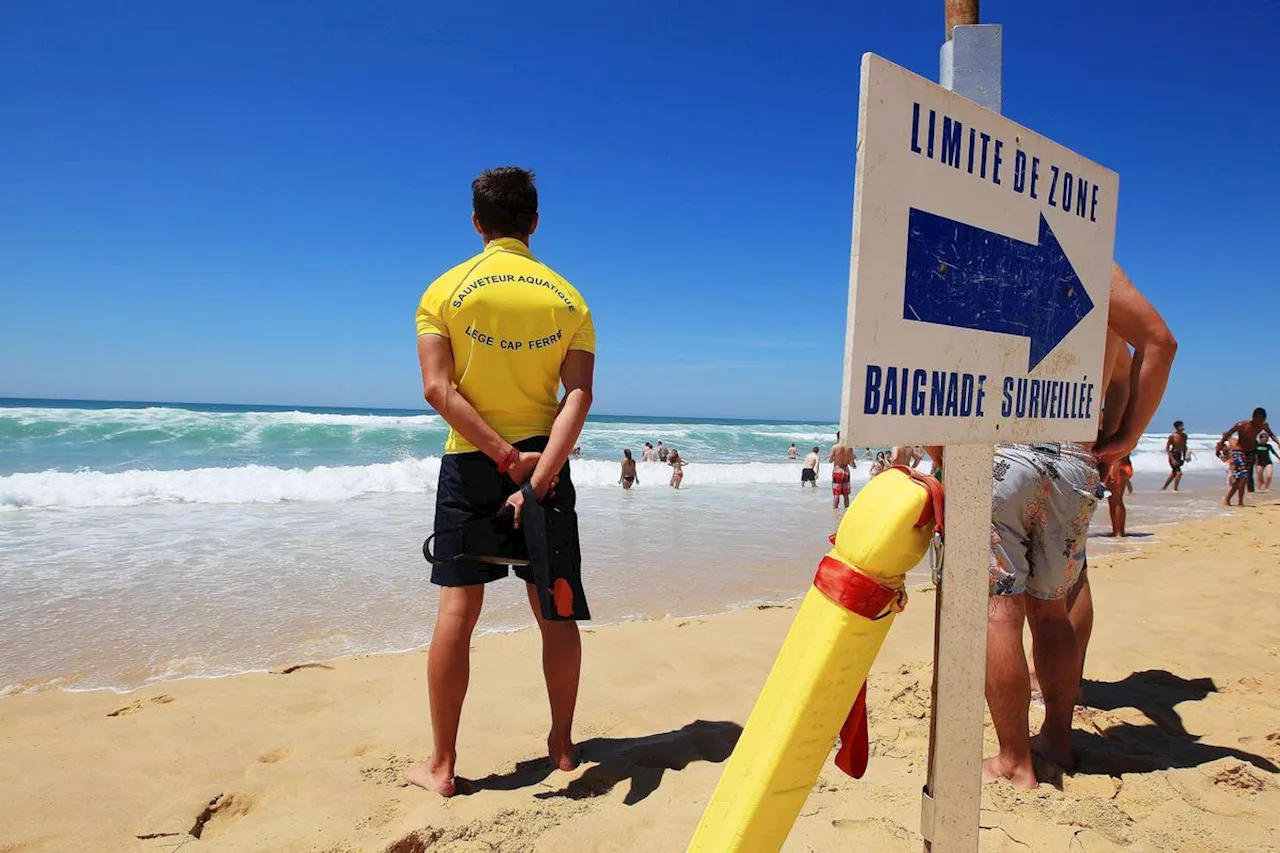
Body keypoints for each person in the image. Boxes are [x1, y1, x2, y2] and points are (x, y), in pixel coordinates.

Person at [930, 262, 1176, 789]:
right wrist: (1125, 435)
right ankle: (1057, 742)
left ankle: (1014, 760)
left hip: (1004, 446)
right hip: (1072, 456)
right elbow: (1157, 344)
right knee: (1052, 610)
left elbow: (945, 362)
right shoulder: (1091, 259)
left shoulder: (983, 250)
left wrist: (941, 455)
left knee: (999, 612)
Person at [409, 167, 595, 796]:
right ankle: (563, 745)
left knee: (458, 613)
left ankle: (441, 766)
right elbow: (579, 395)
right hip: (547, 468)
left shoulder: (444, 290)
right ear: (534, 222)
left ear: (477, 222)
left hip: (471, 465)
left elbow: (438, 389)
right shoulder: (568, 298)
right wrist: (536, 473)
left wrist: (498, 455)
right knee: (555, 611)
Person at [1221, 408, 1276, 502]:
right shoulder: (1241, 425)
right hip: (1239, 451)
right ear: (1253, 417)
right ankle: (1240, 502)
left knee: (1241, 479)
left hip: (1250, 452)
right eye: (1258, 420)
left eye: (1262, 420)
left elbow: (1271, 434)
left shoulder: (1263, 425)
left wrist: (1278, 443)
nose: (1260, 422)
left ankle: (1227, 499)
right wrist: (1220, 445)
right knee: (1244, 476)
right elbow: (1228, 434)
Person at [1104, 454, 1134, 537]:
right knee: (1116, 500)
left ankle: (1119, 532)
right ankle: (1117, 530)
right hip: (1125, 465)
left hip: (1116, 466)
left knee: (1115, 501)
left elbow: (1116, 454)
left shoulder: (1113, 440)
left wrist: (1113, 470)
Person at [1162, 420, 1188, 491]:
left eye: (1183, 425)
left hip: (1179, 456)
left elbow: (1184, 447)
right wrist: (1172, 459)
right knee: (1179, 473)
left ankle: (1163, 488)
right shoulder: (1172, 436)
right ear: (1176, 427)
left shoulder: (1185, 436)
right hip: (1173, 455)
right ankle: (1175, 489)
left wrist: (1185, 456)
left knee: (1174, 473)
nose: (1182, 427)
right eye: (1181, 426)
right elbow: (1167, 448)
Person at [830, 444, 853, 509]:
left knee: (836, 494)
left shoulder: (835, 447)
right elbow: (851, 463)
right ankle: (846, 510)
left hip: (837, 470)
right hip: (846, 470)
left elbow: (830, 460)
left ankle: (835, 511)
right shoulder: (849, 448)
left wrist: (834, 458)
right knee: (846, 494)